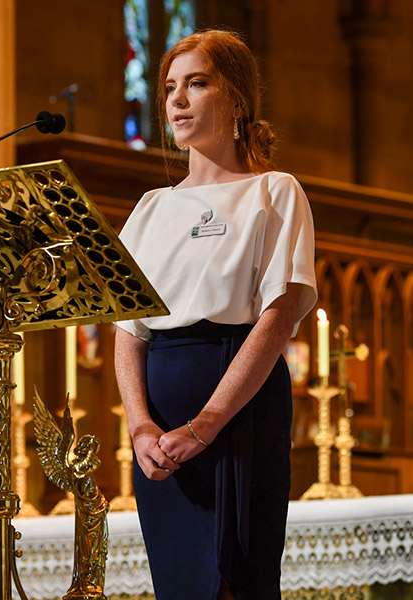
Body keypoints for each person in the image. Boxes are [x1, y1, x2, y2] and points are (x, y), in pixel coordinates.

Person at [113, 30, 317, 600]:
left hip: (237, 414)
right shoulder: (151, 208)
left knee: (235, 585)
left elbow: (276, 319)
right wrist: (140, 427)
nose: (177, 99)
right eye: (170, 87)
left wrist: (205, 425)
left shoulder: (274, 192)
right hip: (159, 433)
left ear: (236, 100)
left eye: (196, 84)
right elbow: (128, 331)